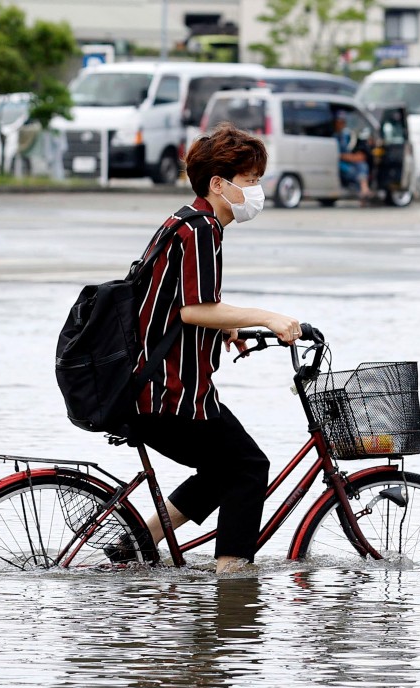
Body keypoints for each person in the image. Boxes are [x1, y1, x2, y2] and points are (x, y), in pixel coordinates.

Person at [125, 124, 302, 574]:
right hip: (168, 392)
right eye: (250, 181)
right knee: (247, 467)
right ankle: (233, 583)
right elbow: (193, 310)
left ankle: (139, 539)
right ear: (218, 184)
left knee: (227, 466)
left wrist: (225, 329)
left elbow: (176, 304)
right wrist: (266, 317)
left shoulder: (184, 221)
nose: (257, 192)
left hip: (158, 386)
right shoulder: (202, 229)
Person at [334, 112, 372, 204]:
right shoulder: (334, 137)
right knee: (352, 171)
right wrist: (349, 157)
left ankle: (364, 189)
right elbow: (337, 155)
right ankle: (363, 190)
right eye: (339, 121)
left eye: (343, 121)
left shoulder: (348, 135)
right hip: (338, 162)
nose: (341, 124)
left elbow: (353, 149)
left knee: (362, 165)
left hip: (349, 160)